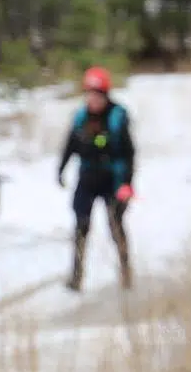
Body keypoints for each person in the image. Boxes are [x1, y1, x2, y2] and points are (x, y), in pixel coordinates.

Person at [56, 65, 136, 292]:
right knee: (80, 226)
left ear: (105, 95)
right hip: (87, 178)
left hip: (112, 179)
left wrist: (127, 183)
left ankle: (125, 271)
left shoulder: (117, 117)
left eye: (97, 95)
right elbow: (70, 144)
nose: (92, 100)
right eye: (89, 94)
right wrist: (61, 169)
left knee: (115, 225)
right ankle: (76, 277)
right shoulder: (81, 117)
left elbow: (129, 153)